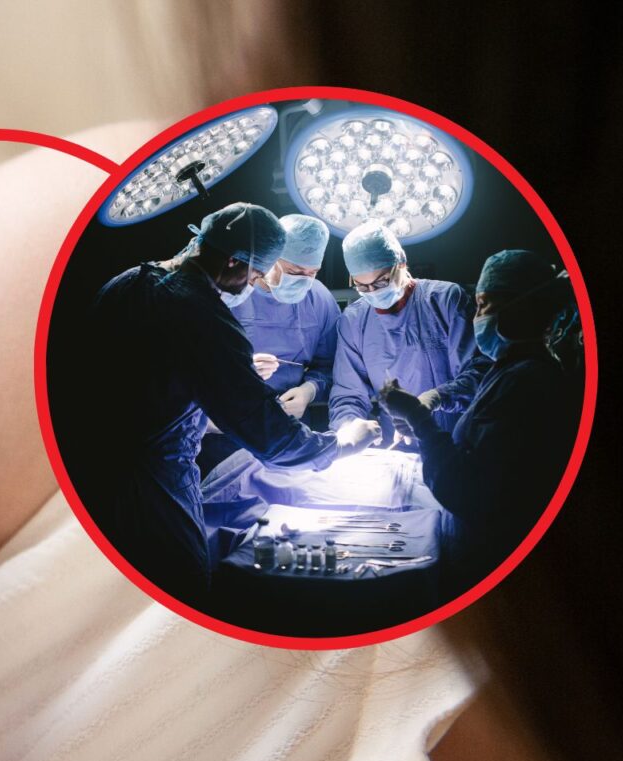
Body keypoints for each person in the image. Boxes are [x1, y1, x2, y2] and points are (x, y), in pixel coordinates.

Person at [60, 202, 379, 603]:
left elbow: (152, 373)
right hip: (148, 483)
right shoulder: (200, 313)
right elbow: (273, 439)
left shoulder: (130, 281)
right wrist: (344, 443)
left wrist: (233, 372)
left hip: (84, 471)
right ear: (232, 262)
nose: (255, 284)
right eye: (257, 274)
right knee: (179, 586)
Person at [378, 250, 582, 590]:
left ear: (520, 309)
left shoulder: (528, 381)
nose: (477, 315)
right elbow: (479, 422)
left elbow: (466, 490)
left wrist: (419, 419)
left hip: (490, 563)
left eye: (485, 304)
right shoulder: (510, 368)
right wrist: (425, 413)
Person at [330, 220, 489, 447]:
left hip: (453, 439)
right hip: (395, 445)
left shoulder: (445, 300)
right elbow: (348, 392)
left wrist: (437, 398)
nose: (373, 292)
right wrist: (349, 425)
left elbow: (479, 372)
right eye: (362, 287)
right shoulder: (354, 320)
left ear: (402, 263)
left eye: (382, 281)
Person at [232, 213, 340, 419]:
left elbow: (330, 366)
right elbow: (192, 363)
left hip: (290, 423)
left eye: (312, 273)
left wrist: (309, 391)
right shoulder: (231, 292)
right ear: (269, 258)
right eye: (295, 271)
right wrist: (235, 371)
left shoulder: (319, 299)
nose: (303, 280)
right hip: (228, 421)